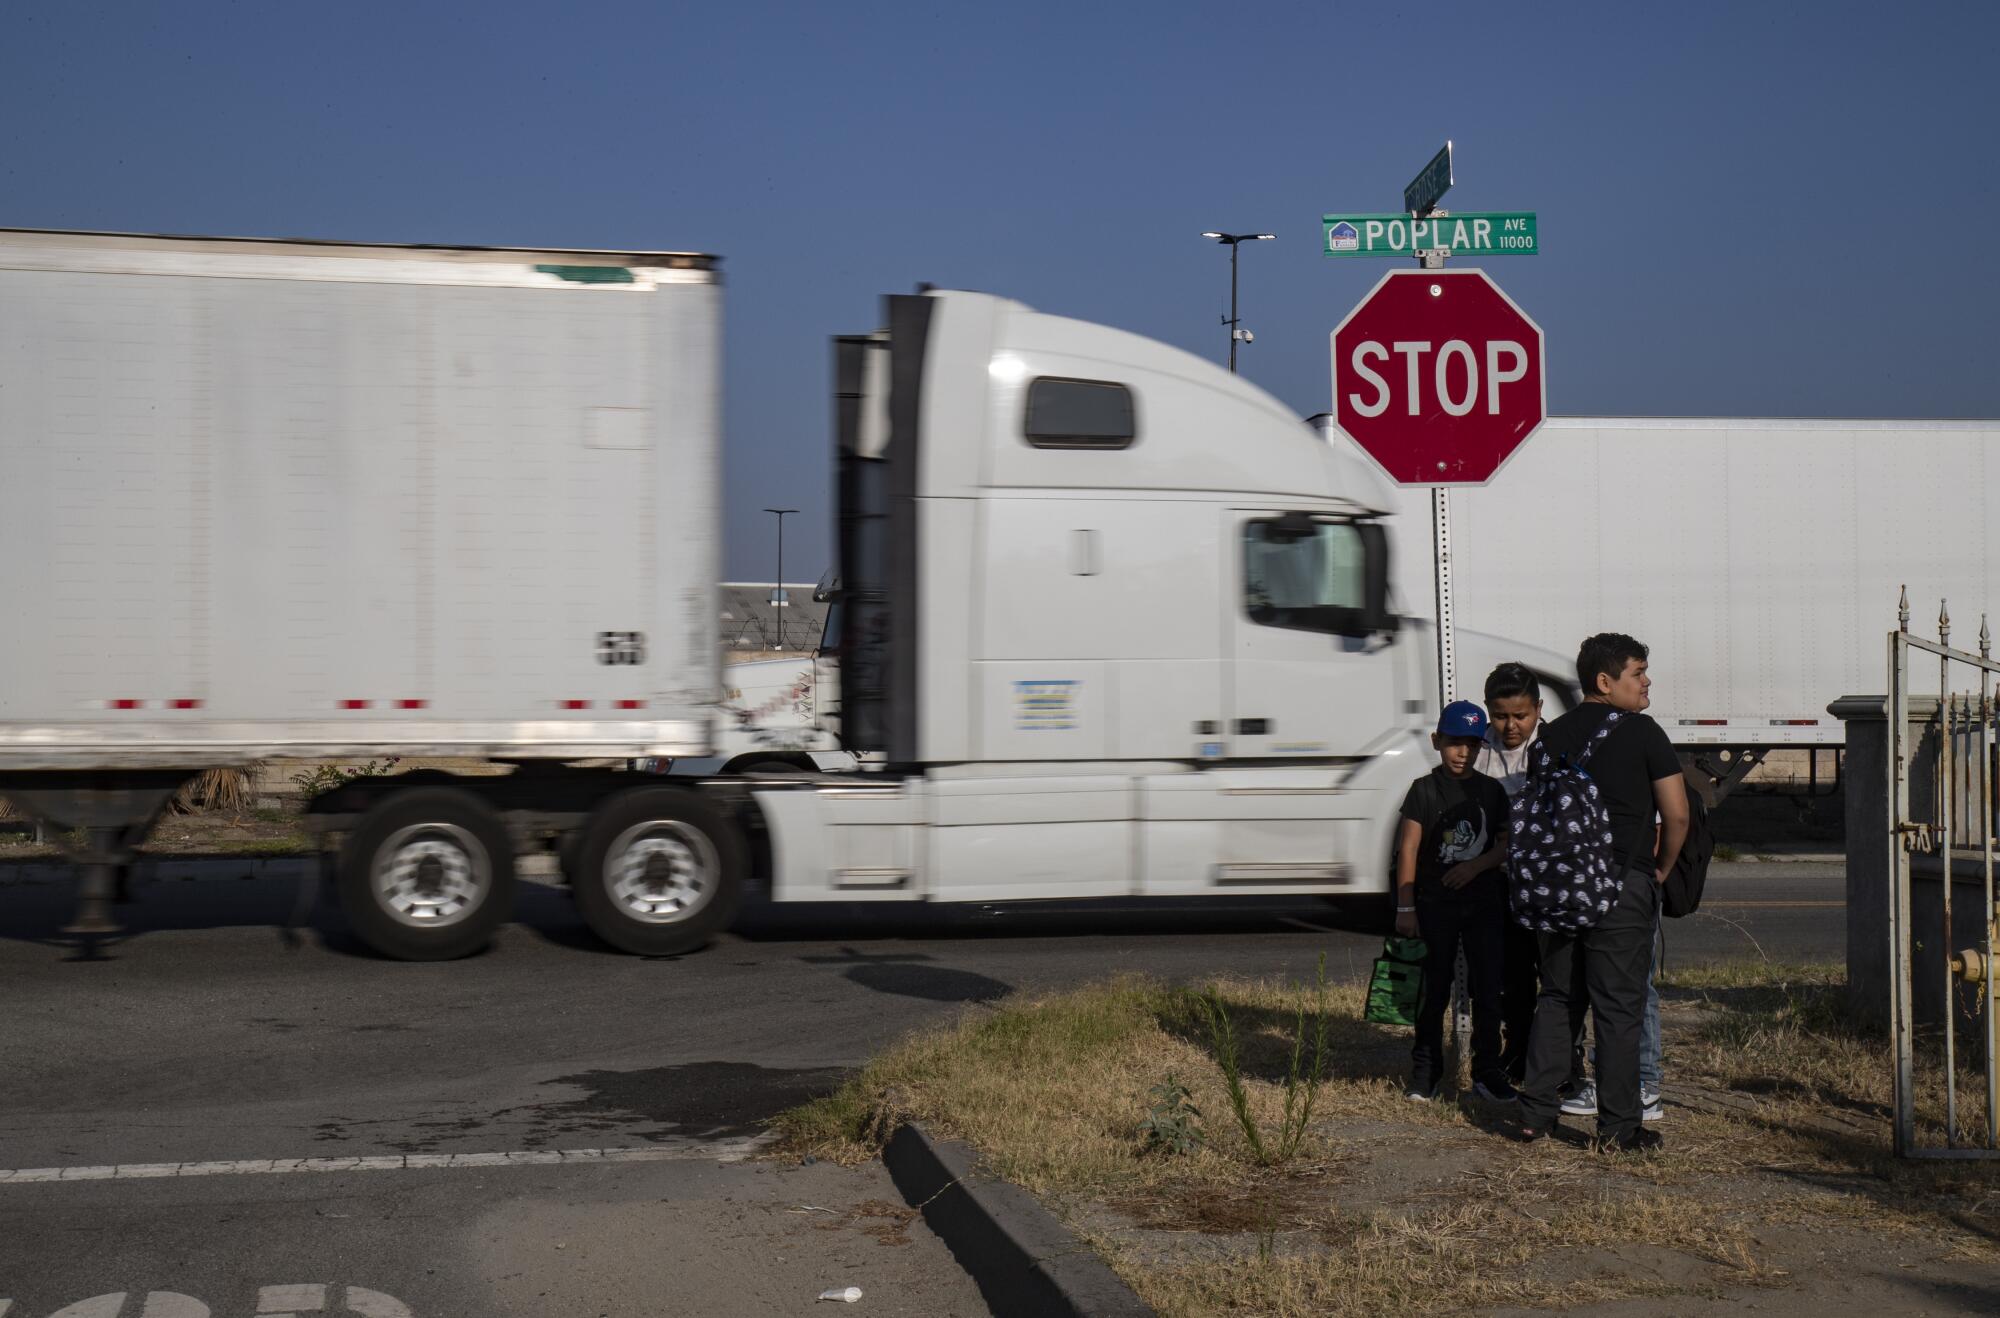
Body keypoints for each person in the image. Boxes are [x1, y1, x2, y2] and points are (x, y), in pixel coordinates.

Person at [1514, 634, 1688, 1153]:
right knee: (1618, 1007)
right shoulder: (1643, 732)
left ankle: (1535, 1115)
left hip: (1561, 885)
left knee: (1558, 997)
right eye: (1638, 672)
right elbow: (1676, 814)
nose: (1647, 681)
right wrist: (1659, 869)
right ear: (1605, 682)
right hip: (1621, 884)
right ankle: (1618, 1128)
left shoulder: (1547, 738)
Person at [1397, 700, 1515, 1104]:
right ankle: (1426, 1071)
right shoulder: (1423, 790)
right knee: (1433, 990)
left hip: (1484, 905)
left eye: (1471, 744)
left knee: (1488, 990)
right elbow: (1408, 850)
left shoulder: (1492, 791)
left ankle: (1487, 1070)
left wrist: (1475, 866)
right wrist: (1406, 907)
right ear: (1436, 741)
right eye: (1453, 742)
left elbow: (1506, 845)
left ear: (1482, 747)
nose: (1462, 752)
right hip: (1435, 907)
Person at [1474, 662, 1556, 1087]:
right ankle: (1518, 1048)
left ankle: (1561, 1058)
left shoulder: (1552, 747)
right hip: (1498, 881)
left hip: (1543, 883)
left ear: (1538, 709)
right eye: (1501, 715)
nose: (1510, 726)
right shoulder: (1479, 750)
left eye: (1521, 716)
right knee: (1513, 975)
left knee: (1553, 973)